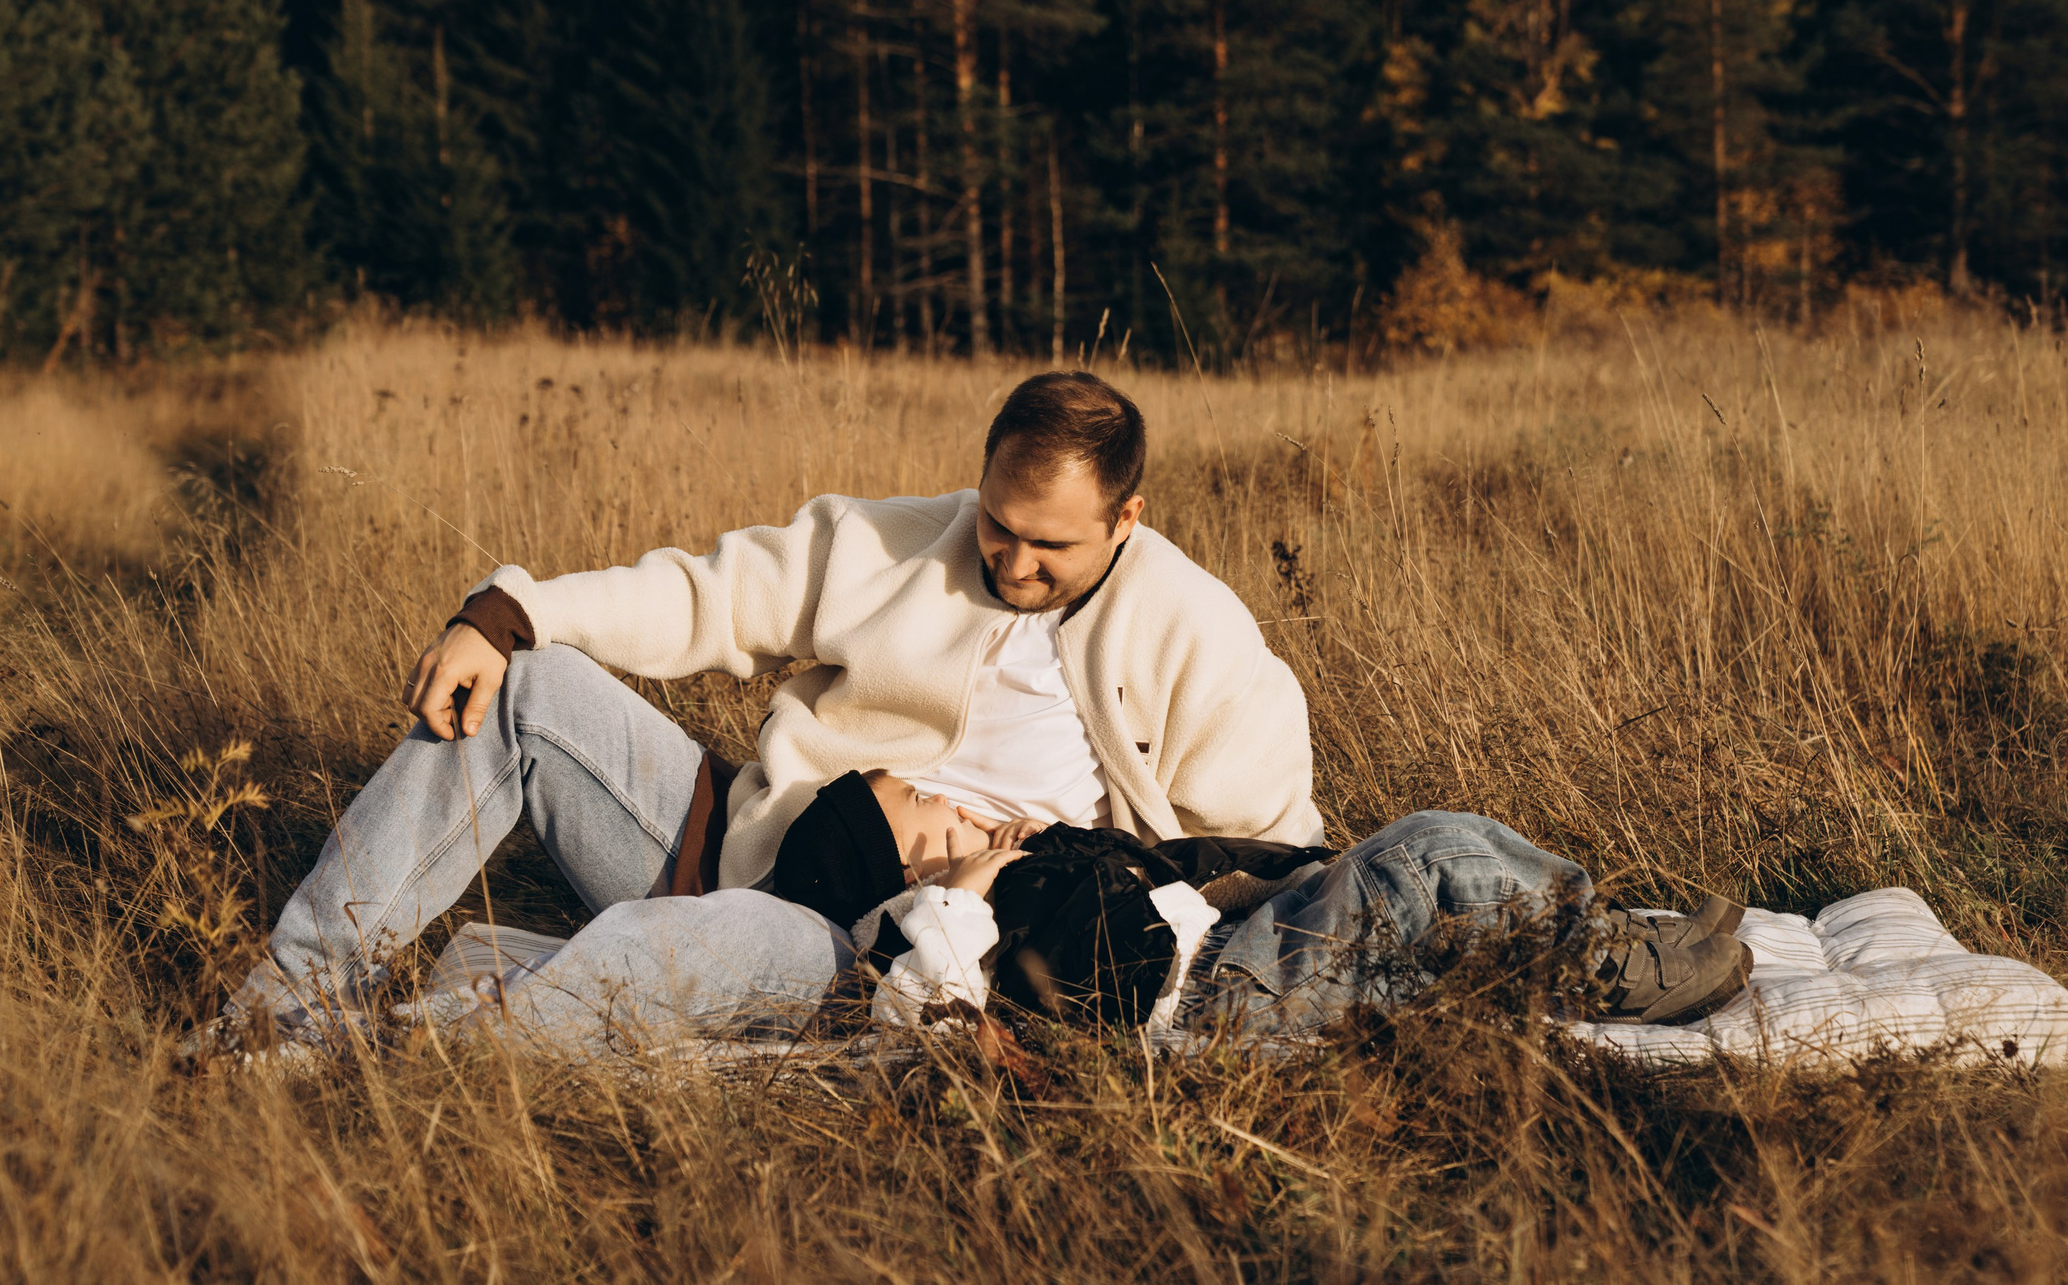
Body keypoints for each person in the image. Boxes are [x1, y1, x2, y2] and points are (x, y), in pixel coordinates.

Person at [208, 371, 1322, 1048]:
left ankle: (432, 1030)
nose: (1012, 560)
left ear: (1126, 518)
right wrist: (507, 613)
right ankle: (280, 1009)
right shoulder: (892, 544)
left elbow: (1270, 850)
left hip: (878, 945)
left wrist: (1061, 899)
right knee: (527, 684)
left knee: (715, 945)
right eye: (997, 522)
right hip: (754, 845)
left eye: (1050, 543)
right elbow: (707, 594)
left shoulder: (1198, 635)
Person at [767, 770, 1757, 1041]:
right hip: (1221, 998)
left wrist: (1314, 869)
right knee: (1433, 850)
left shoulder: (1030, 858)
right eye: (920, 803)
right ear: (895, 859)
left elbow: (1183, 867)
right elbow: (917, 1012)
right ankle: (1606, 962)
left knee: (1427, 868)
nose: (950, 802)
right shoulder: (915, 928)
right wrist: (958, 896)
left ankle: (1592, 938)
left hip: (1247, 946)